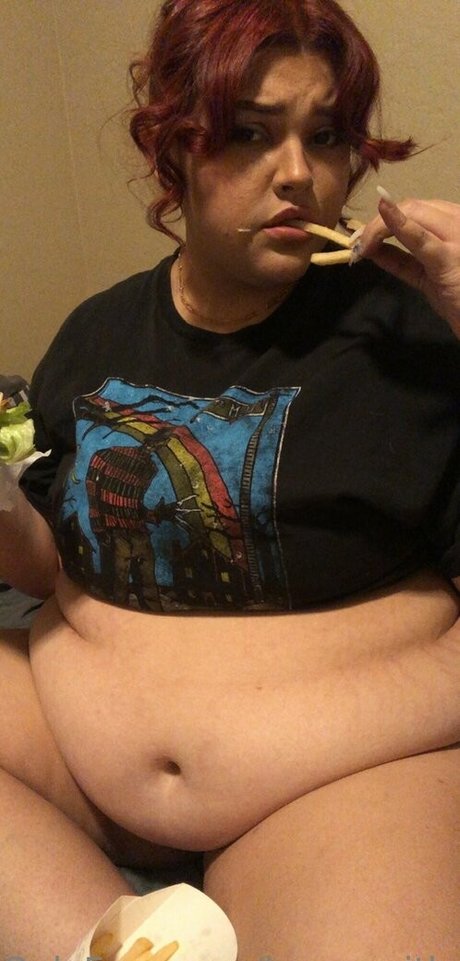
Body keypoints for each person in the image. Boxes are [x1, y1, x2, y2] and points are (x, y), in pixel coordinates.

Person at [1, 0, 459, 957]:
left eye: (324, 137)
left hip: (333, 784)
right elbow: (47, 564)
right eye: (250, 133)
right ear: (175, 148)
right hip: (71, 757)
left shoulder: (412, 333)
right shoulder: (95, 330)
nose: (297, 173)